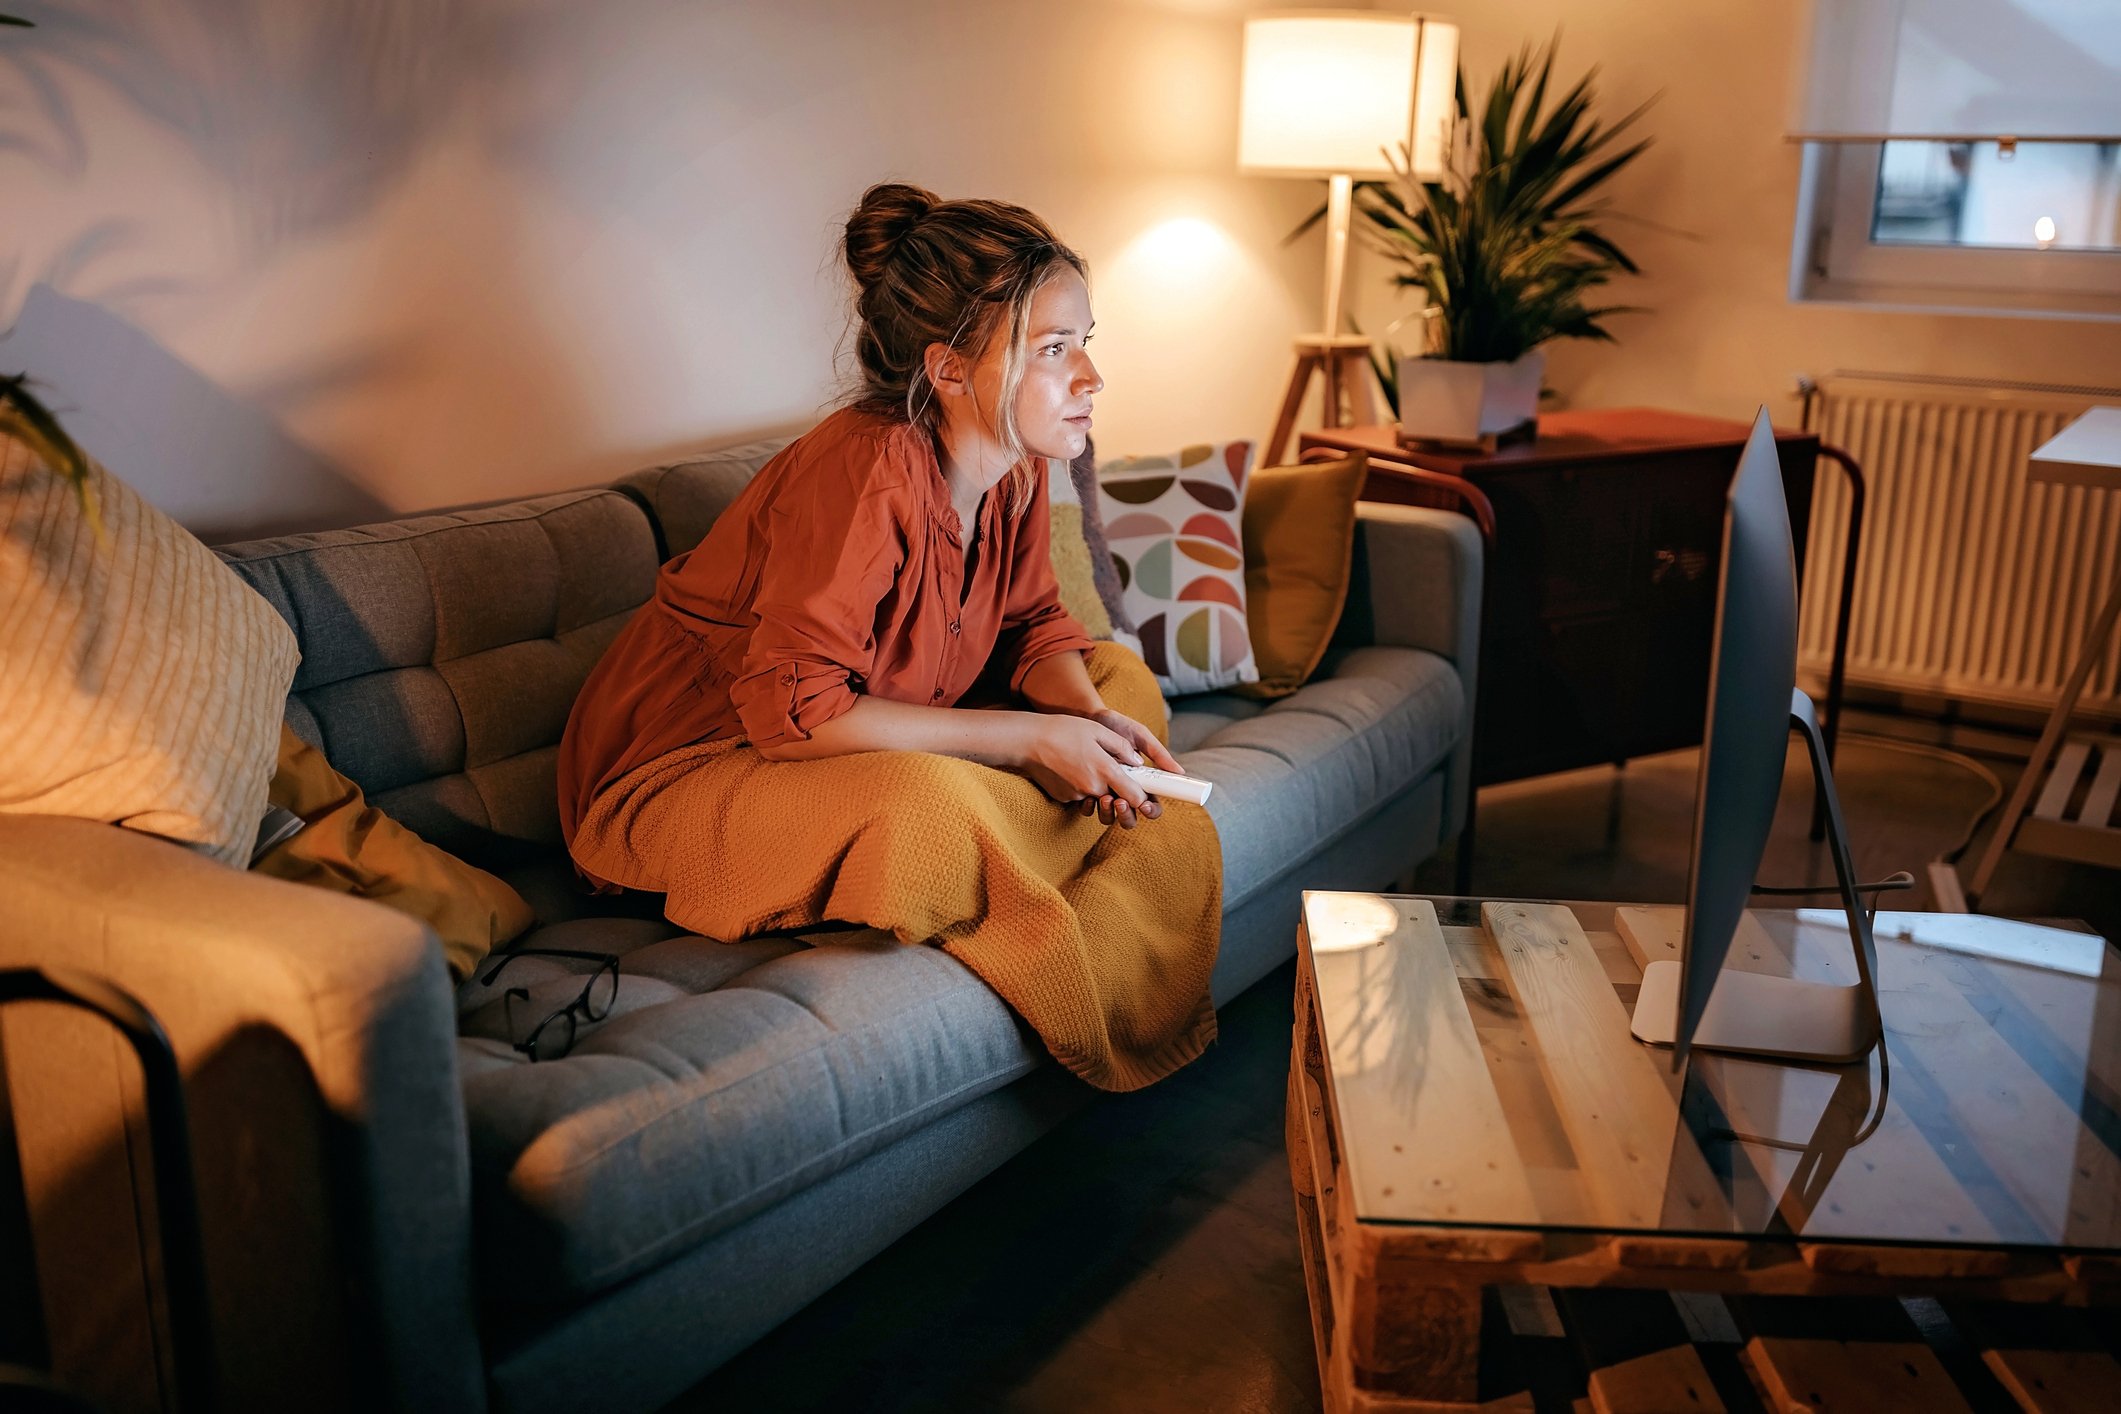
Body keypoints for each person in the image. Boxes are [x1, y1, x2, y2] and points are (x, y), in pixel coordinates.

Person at [556, 183, 1223, 1091]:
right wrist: (1030, 737)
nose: (1090, 379)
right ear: (949, 371)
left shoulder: (1017, 466)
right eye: (1055, 350)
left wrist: (1085, 715)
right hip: (687, 771)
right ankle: (1036, 825)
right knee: (928, 813)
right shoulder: (866, 469)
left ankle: (1039, 813)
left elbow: (1032, 625)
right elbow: (794, 714)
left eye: (1087, 345)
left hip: (870, 728)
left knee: (1120, 685)